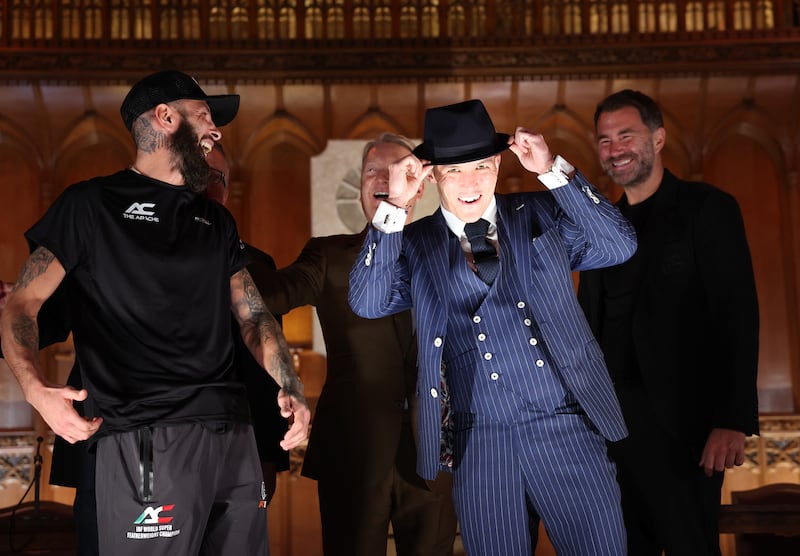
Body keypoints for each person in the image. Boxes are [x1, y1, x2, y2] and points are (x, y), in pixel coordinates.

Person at [0, 69, 310, 555]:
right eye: (205, 115)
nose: (216, 130)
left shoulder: (217, 221)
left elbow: (253, 317)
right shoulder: (90, 205)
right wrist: (37, 393)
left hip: (232, 434)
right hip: (142, 437)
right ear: (165, 117)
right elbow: (23, 303)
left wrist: (290, 386)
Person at [348, 99, 637, 556]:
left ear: (499, 164)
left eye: (481, 166)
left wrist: (553, 169)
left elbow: (619, 243)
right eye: (454, 171)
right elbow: (366, 301)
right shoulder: (416, 243)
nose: (470, 184)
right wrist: (396, 206)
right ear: (432, 175)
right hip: (480, 444)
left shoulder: (542, 212)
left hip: (567, 431)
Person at [251, 132, 458, 556]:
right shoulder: (327, 256)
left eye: (396, 170)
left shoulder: (449, 251)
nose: (383, 178)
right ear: (362, 184)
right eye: (371, 171)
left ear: (419, 183)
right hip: (352, 451)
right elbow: (266, 296)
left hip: (437, 453)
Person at [578, 89, 760, 555]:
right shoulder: (601, 227)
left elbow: (736, 315)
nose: (614, 149)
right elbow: (588, 332)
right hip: (612, 435)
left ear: (658, 139)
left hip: (688, 433)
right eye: (604, 140)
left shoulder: (708, 209)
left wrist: (731, 419)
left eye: (626, 136)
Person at [204, 144, 290, 502]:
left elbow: (264, 373)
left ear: (225, 188)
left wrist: (269, 453)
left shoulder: (256, 263)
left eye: (213, 178)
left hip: (240, 443)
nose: (202, 187)